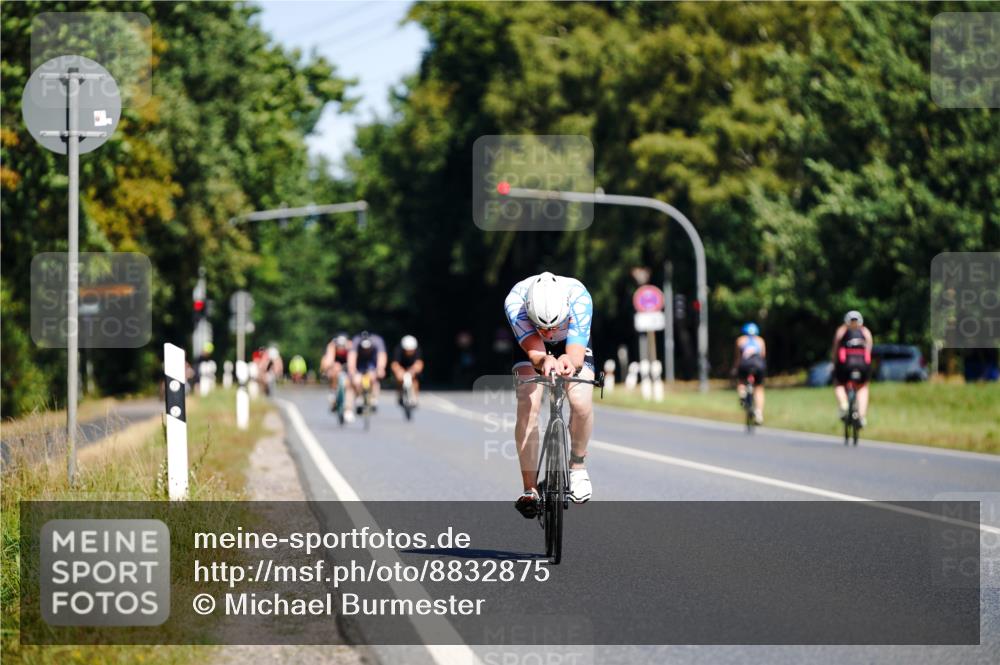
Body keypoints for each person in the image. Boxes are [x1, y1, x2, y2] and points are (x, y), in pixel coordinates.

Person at [504, 271, 595, 518]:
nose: (548, 331)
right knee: (528, 404)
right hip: (531, 348)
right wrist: (544, 358)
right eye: (543, 327)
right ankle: (530, 489)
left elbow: (575, 355)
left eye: (553, 326)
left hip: (571, 341)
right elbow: (535, 354)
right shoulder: (515, 302)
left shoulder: (579, 298)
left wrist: (568, 360)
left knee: (580, 400)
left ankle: (577, 464)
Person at [832, 310, 873, 427]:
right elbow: (869, 350)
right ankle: (862, 416)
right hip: (863, 366)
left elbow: (835, 350)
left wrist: (834, 364)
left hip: (846, 365)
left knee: (838, 383)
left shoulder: (842, 331)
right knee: (863, 387)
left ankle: (844, 404)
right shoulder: (865, 332)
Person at [731, 322, 767, 425]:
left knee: (741, 381)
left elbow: (738, 358)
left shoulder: (741, 340)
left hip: (745, 364)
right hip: (759, 365)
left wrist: (734, 368)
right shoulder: (760, 341)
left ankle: (742, 394)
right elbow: (763, 356)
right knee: (759, 388)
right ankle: (759, 414)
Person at [348, 330, 387, 412]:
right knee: (357, 380)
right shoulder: (356, 341)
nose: (366, 350)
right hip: (360, 362)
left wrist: (381, 368)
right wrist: (352, 370)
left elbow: (382, 356)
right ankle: (358, 397)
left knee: (373, 378)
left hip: (372, 361)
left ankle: (374, 398)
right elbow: (352, 357)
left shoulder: (377, 341)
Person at [319, 332, 353, 420]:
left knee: (348, 385)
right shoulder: (332, 346)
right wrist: (326, 369)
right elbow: (328, 360)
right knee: (334, 371)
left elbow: (352, 361)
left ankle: (348, 408)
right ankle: (333, 392)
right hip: (335, 363)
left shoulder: (350, 346)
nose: (341, 348)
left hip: (346, 364)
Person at [390, 335, 425, 407]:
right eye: (408, 350)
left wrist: (413, 371)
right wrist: (399, 371)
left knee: (414, 379)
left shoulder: (418, 350)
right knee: (399, 378)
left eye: (411, 350)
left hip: (412, 367)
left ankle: (415, 397)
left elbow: (419, 363)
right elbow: (394, 364)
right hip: (401, 366)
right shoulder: (398, 350)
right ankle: (400, 394)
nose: (410, 352)